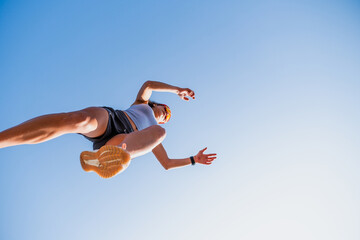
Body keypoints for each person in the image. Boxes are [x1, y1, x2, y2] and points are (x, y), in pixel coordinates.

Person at [0, 81, 217, 178]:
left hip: (124, 140)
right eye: (165, 110)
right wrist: (176, 90)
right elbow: (149, 84)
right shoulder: (141, 102)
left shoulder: (153, 130)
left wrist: (193, 160)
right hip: (113, 119)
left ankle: (104, 159)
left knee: (160, 135)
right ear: (157, 105)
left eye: (167, 117)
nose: (165, 115)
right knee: (78, 119)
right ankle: (3, 139)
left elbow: (167, 164)